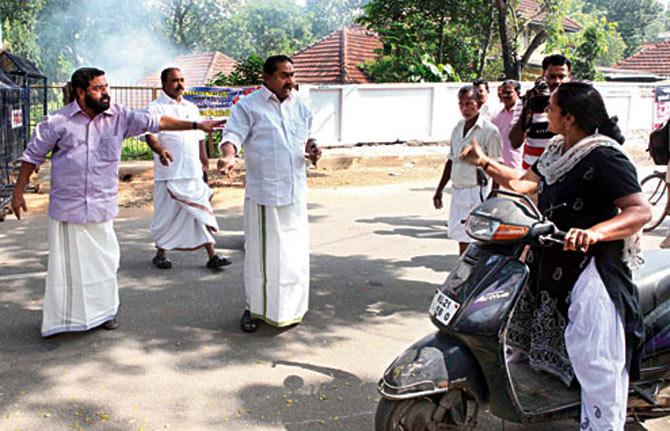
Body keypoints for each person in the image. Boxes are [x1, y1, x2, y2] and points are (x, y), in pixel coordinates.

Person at [460, 81, 651, 430]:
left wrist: (595, 232)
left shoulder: (605, 156)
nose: (545, 112)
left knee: (597, 362)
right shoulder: (556, 148)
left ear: (569, 117)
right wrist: (484, 162)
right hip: (552, 261)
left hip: (592, 268)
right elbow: (524, 183)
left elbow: (640, 211)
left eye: (551, 108)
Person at [10, 67, 223, 338]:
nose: (105, 93)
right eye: (98, 88)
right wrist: (18, 193)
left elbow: (156, 122)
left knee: (105, 263)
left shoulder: (119, 117)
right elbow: (32, 156)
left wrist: (195, 125)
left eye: (106, 87)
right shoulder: (58, 122)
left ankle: (103, 313)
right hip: (69, 209)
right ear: (80, 92)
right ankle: (67, 319)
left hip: (102, 206)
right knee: (70, 269)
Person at [216, 55, 321, 333]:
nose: (291, 81)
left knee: (293, 256)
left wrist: (313, 148)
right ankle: (256, 309)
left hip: (295, 191)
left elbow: (307, 136)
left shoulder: (300, 104)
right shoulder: (248, 106)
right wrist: (228, 157)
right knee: (263, 258)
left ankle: (292, 309)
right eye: (285, 75)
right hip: (266, 195)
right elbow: (232, 137)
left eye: (292, 74)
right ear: (267, 77)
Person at [145, 67, 231, 270]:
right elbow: (150, 136)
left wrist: (203, 160)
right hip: (169, 172)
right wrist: (160, 150)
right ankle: (161, 254)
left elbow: (199, 137)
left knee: (200, 213)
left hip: (192, 170)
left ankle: (213, 254)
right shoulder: (155, 108)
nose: (180, 85)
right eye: (175, 81)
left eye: (182, 80)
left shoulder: (191, 107)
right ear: (164, 84)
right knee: (166, 215)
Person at [433, 85, 502, 255]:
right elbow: (451, 160)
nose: (466, 108)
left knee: (477, 238)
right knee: (461, 236)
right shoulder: (458, 128)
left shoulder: (489, 131)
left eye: (470, 103)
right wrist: (439, 190)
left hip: (477, 191)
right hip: (458, 190)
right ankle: (464, 274)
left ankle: (474, 275)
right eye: (462, 104)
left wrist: (493, 195)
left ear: (478, 103)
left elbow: (497, 166)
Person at [509, 54, 571, 169]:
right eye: (552, 76)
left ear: (569, 77)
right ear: (543, 75)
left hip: (563, 174)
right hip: (531, 176)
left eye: (562, 77)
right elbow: (515, 142)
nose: (557, 81)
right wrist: (528, 107)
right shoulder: (528, 100)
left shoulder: (576, 103)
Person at [491, 79, 522, 170]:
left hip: (518, 166)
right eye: (503, 92)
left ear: (518, 93)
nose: (505, 95)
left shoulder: (524, 113)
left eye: (508, 92)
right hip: (497, 165)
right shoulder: (496, 112)